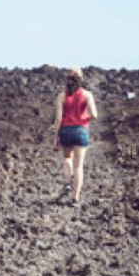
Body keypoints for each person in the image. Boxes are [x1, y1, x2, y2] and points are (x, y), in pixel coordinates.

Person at [53, 67, 98, 204]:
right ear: (81, 79)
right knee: (79, 166)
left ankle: (67, 182)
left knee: (67, 159)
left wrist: (56, 138)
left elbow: (58, 120)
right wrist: (83, 120)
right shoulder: (87, 95)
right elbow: (95, 115)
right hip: (81, 131)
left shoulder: (61, 96)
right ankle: (75, 198)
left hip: (66, 131)